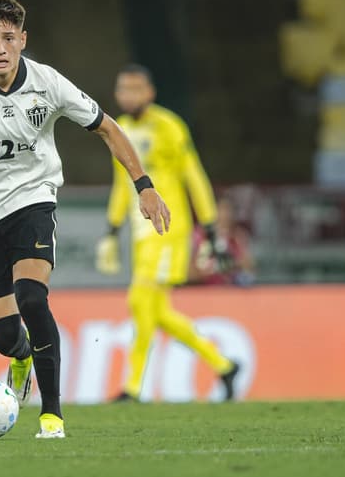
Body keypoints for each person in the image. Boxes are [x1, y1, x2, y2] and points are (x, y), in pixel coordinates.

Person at [0, 0, 170, 438]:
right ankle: (21, 355)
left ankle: (52, 415)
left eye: (8, 38)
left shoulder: (48, 84)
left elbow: (108, 127)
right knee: (4, 336)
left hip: (33, 200)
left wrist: (143, 185)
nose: (0, 48)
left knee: (31, 296)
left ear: (22, 40)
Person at [95, 64, 240, 403]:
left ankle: (132, 387)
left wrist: (211, 228)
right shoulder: (120, 129)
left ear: (150, 93)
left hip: (167, 229)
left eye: (136, 89)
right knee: (155, 311)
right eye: (123, 89)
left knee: (139, 300)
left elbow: (195, 177)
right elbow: (122, 184)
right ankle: (223, 364)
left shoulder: (169, 126)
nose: (129, 96)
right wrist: (112, 230)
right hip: (140, 232)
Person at [189, 197, 256, 286]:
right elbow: (188, 274)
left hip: (230, 293)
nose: (225, 216)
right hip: (202, 292)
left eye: (228, 211)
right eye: (221, 210)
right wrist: (209, 269)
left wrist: (233, 264)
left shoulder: (237, 236)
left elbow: (250, 269)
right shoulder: (198, 236)